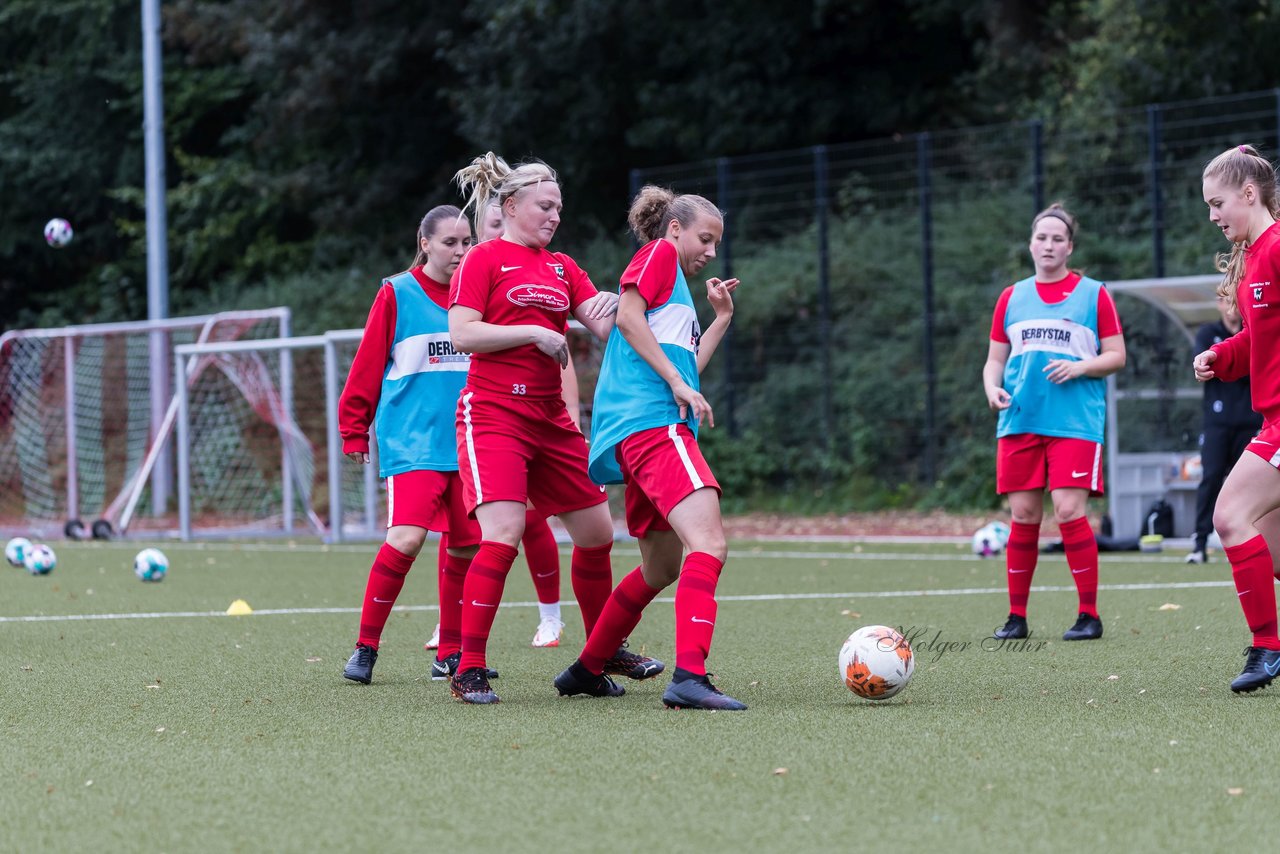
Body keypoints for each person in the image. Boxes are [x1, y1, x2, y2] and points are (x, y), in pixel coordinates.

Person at [446, 152, 659, 704]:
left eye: (559, 207)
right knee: (504, 534)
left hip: (549, 419)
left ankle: (603, 651)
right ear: (511, 206)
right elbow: (463, 332)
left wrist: (638, 298)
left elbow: (609, 325)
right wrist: (531, 335)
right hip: (493, 413)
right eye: (545, 205)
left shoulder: (563, 266)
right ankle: (468, 668)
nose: (554, 215)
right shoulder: (484, 258)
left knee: (596, 535)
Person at [552, 186, 745, 710]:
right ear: (676, 228)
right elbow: (629, 318)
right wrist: (678, 389)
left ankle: (587, 668)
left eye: (716, 243)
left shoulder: (678, 290)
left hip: (642, 430)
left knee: (663, 566)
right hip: (654, 426)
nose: (710, 250)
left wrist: (721, 318)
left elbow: (687, 370)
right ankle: (690, 677)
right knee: (709, 544)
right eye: (704, 238)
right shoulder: (659, 254)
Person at [338, 205, 494, 684]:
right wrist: (353, 427)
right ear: (424, 242)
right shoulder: (397, 292)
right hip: (413, 441)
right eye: (450, 242)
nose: (460, 251)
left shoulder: (479, 297)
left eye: (467, 242)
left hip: (469, 439)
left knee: (467, 548)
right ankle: (366, 647)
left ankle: (449, 652)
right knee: (406, 539)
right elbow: (367, 364)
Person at [420, 200, 577, 651]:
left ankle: (557, 621)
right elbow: (463, 336)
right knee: (479, 532)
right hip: (485, 418)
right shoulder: (477, 268)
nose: (467, 246)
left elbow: (563, 346)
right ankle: (456, 641)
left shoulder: (545, 269)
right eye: (460, 239)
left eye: (471, 237)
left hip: (541, 416)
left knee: (543, 523)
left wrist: (568, 412)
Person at [981, 202, 1126, 643]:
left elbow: (1116, 355)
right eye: (1041, 237)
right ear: (1030, 245)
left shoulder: (1094, 293)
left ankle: (1088, 615)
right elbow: (994, 361)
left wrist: (1080, 367)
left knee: (1067, 510)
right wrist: (992, 389)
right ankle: (1016, 617)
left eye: (1057, 238)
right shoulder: (1011, 297)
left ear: (1069, 247)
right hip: (1020, 420)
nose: (1049, 245)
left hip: (1074, 422)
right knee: (1023, 515)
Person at [1193, 143, 1280, 692]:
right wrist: (1223, 356)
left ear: (1249, 194)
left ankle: (1267, 650)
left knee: (1229, 517)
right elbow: (1260, 339)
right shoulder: (1255, 256)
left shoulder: (1276, 249)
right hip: (1271, 420)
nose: (1212, 216)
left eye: (1217, 202)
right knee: (1271, 552)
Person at [1186, 293, 1261, 564]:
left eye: (1234, 300)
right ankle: (1200, 542)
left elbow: (1256, 365)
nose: (1231, 307)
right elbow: (1208, 367)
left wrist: (1233, 364)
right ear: (1218, 304)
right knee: (1211, 478)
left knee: (1255, 485)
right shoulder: (1209, 333)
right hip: (1218, 423)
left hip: (1252, 422)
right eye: (1224, 300)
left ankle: (1258, 538)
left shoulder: (1254, 330)